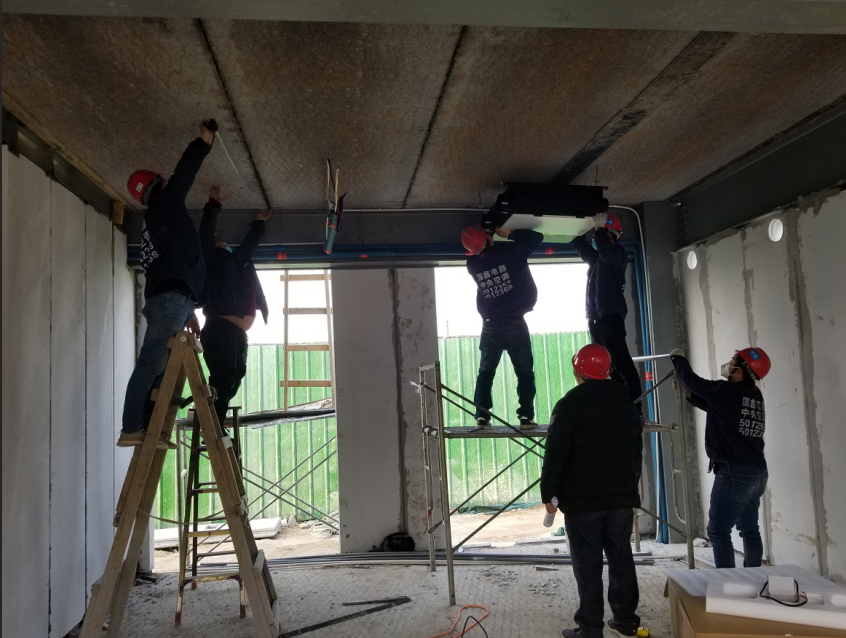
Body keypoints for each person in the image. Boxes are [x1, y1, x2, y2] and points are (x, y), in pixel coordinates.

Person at [118, 121, 215, 449]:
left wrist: (189, 309)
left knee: (161, 370)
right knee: (151, 365)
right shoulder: (163, 209)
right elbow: (181, 179)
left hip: (174, 301)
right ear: (158, 186)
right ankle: (132, 427)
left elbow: (168, 272)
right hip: (172, 301)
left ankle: (150, 428)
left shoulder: (159, 223)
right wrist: (202, 144)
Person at [541, 343, 642, 638]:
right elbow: (636, 449)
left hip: (583, 502)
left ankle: (590, 628)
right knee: (621, 558)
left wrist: (549, 493)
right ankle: (625, 622)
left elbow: (556, 454)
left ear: (579, 372)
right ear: (607, 371)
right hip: (620, 499)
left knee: (588, 564)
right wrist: (629, 487)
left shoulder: (570, 404)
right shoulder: (626, 402)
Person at [669, 346, 771, 569]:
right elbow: (714, 406)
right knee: (749, 529)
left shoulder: (727, 391)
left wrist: (678, 359)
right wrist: (688, 394)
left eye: (734, 360)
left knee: (717, 531)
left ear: (741, 370)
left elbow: (694, 382)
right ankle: (754, 578)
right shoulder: (754, 395)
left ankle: (727, 584)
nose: (729, 363)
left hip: (735, 473)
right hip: (757, 473)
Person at [199, 186, 270, 427]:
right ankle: (214, 424)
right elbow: (205, 233)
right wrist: (213, 204)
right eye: (220, 240)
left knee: (235, 375)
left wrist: (259, 223)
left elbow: (248, 248)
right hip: (221, 330)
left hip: (234, 333)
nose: (224, 241)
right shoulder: (212, 261)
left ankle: (214, 420)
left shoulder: (235, 262)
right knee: (224, 376)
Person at [463, 224, 543, 430]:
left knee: (485, 372)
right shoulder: (510, 252)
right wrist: (508, 234)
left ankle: (482, 416)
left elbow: (482, 253)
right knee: (524, 373)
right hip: (515, 324)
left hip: (489, 327)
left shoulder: (472, 265)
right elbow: (536, 238)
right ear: (488, 238)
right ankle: (526, 417)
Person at [572, 213, 642, 407]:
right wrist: (577, 233)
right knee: (611, 369)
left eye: (601, 234)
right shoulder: (599, 260)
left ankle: (635, 409)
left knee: (624, 367)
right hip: (596, 321)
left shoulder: (618, 256)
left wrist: (599, 229)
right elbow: (583, 249)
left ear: (612, 235)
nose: (596, 239)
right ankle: (619, 406)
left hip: (611, 320)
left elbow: (605, 248)